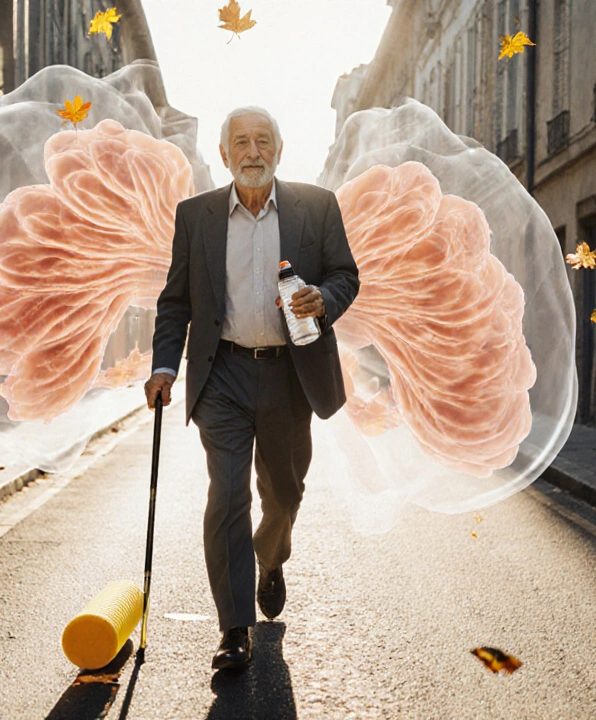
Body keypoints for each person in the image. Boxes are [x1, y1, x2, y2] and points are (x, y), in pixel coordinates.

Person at [144, 106, 359, 671]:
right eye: (241, 141)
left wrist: (325, 300)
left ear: (280, 150)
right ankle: (234, 628)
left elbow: (346, 274)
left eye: (264, 140)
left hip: (292, 374)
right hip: (224, 376)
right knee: (228, 496)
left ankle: (270, 557)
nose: (253, 151)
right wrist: (165, 366)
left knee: (284, 493)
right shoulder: (196, 217)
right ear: (224, 154)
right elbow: (175, 303)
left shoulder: (317, 206)